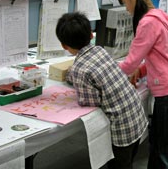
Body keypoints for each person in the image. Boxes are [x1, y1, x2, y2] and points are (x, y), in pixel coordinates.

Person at [55, 12, 148, 169]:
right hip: (137, 117)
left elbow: (90, 103)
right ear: (91, 35)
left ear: (64, 46)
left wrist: (77, 83)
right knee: (128, 162)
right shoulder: (100, 50)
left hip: (121, 130)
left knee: (119, 165)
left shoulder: (80, 69)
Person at [117, 0, 168, 169]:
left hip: (167, 92)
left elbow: (130, 62)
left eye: (125, 3)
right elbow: (158, 56)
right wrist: (141, 71)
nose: (126, 9)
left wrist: (106, 70)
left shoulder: (147, 23)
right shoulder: (160, 16)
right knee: (157, 145)